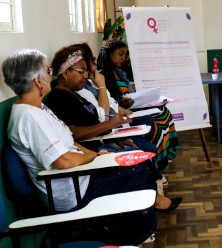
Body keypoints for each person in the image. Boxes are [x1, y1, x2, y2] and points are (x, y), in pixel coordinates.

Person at [2, 49, 167, 246]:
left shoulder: (38, 109)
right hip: (72, 190)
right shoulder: (29, 117)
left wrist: (95, 154)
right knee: (136, 173)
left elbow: (69, 142)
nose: (50, 75)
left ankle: (142, 220)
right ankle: (132, 233)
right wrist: (93, 158)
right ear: (38, 81)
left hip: (80, 177)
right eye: (48, 71)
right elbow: (64, 161)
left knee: (137, 168)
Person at [44, 44, 181, 206]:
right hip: (91, 150)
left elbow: (97, 120)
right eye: (81, 72)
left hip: (101, 142)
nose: (85, 76)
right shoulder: (58, 99)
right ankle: (153, 203)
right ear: (66, 72)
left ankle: (152, 200)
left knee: (143, 154)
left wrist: (112, 137)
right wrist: (110, 128)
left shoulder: (76, 94)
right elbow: (74, 134)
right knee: (138, 163)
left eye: (86, 71)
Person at [97, 39, 180, 165]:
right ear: (109, 54)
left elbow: (127, 94)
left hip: (133, 107)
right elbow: (112, 103)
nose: (123, 58)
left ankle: (168, 151)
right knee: (157, 121)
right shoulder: (103, 77)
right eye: (120, 54)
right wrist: (123, 103)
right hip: (124, 112)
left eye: (125, 54)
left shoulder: (120, 72)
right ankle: (158, 158)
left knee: (164, 112)